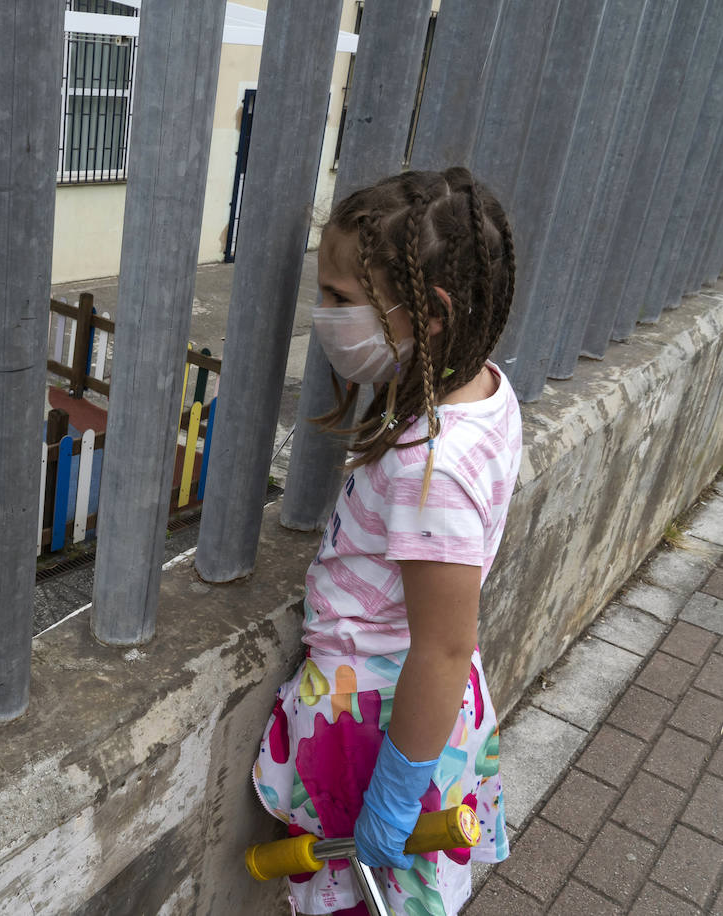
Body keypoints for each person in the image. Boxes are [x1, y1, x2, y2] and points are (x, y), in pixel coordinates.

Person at [252, 167, 519, 916]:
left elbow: (443, 646)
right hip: (409, 710)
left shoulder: (433, 468)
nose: (323, 316)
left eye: (341, 298)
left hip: (381, 726)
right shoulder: (481, 391)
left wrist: (396, 799)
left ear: (429, 314)